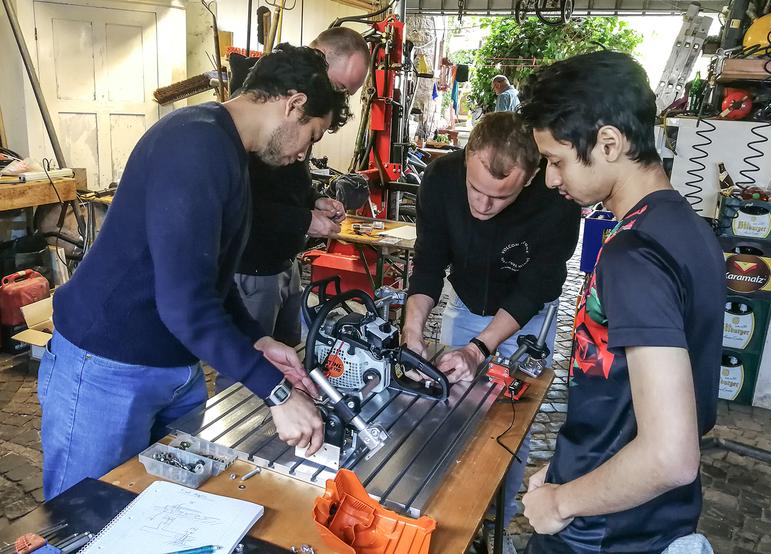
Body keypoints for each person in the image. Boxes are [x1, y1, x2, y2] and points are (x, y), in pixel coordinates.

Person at [39, 45, 352, 500]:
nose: (305, 152)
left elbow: (207, 277)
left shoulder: (231, 152)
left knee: (156, 515)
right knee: (83, 519)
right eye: (313, 135)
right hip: (106, 368)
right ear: (293, 103)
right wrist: (278, 395)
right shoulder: (194, 145)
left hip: (173, 369)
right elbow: (184, 304)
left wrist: (256, 340)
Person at [519, 51, 724, 554]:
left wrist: (562, 501)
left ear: (608, 142)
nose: (550, 179)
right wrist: (569, 463)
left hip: (607, 534)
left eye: (557, 160)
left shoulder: (635, 255)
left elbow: (670, 454)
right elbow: (628, 401)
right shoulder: (690, 230)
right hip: (646, 517)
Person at [403, 111, 580, 551]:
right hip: (464, 301)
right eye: (475, 190)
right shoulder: (441, 178)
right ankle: (447, 519)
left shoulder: (556, 198)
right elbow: (427, 263)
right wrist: (411, 331)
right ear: (466, 160)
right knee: (446, 407)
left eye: (499, 198)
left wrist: (480, 348)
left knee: (507, 426)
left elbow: (537, 286)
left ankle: (500, 523)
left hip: (525, 318)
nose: (482, 206)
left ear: (530, 178)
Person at [216, 28, 369, 395]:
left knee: (286, 357)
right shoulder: (233, 132)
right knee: (243, 378)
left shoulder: (283, 125)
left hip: (282, 262)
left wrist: (312, 200)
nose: (340, 97)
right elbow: (241, 209)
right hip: (252, 269)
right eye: (341, 87)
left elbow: (283, 182)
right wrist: (304, 219)